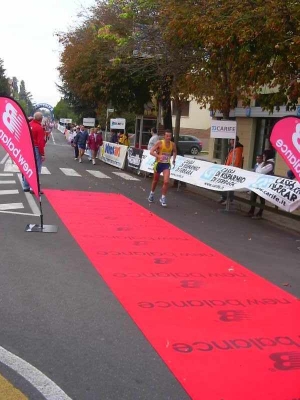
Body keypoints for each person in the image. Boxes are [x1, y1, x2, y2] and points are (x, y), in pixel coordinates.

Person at [148, 129, 177, 207]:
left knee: (166, 181)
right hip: (158, 164)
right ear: (164, 136)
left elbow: (174, 151)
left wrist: (174, 159)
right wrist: (158, 156)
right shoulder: (160, 143)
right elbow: (151, 151)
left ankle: (163, 198)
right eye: (167, 136)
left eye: (170, 136)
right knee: (155, 181)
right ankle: (151, 194)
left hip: (166, 165)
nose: (168, 137)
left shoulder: (172, 144)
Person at [246, 149, 275, 219]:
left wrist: (259, 170)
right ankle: (251, 210)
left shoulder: (270, 164)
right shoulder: (264, 163)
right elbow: (257, 170)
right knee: (253, 197)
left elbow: (261, 171)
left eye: (264, 155)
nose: (263, 156)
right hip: (258, 182)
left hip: (264, 183)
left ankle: (260, 213)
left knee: (262, 198)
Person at [22, 112, 45, 194]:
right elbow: (40, 142)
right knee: (36, 168)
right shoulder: (39, 128)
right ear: (41, 119)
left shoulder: (28, 125)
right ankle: (34, 187)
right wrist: (42, 154)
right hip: (35, 148)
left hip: (28, 147)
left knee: (27, 166)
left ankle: (26, 186)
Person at [219, 136, 244, 204]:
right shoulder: (233, 148)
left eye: (231, 140)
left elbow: (236, 161)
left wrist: (230, 169)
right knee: (225, 184)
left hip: (232, 170)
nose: (230, 141)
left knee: (229, 185)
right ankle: (224, 198)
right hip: (228, 168)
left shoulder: (238, 149)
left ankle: (229, 199)